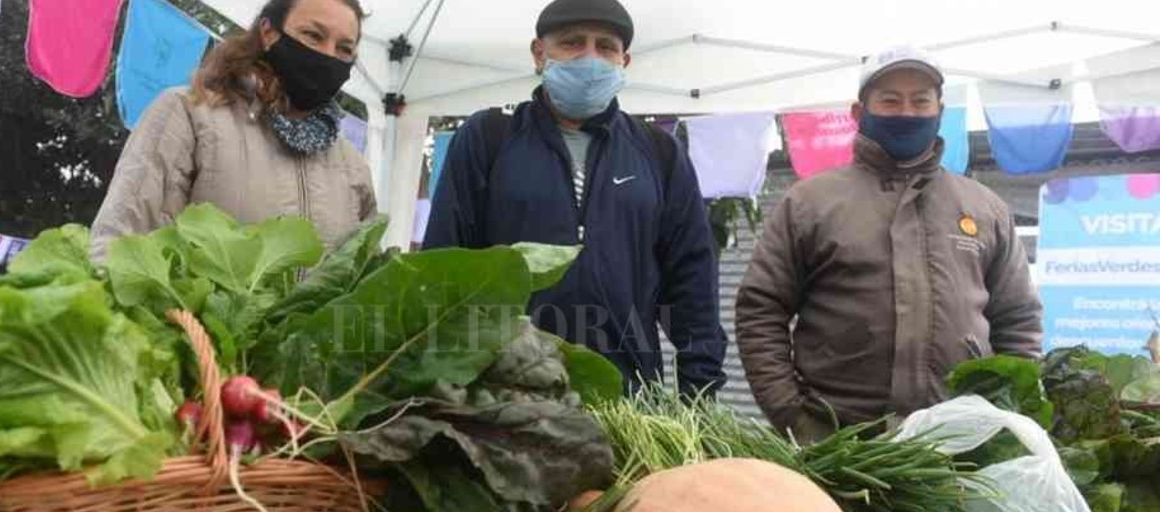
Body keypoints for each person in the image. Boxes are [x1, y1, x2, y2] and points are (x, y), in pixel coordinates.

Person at [735, 46, 1043, 443]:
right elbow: (760, 310)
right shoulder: (810, 203)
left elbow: (1018, 321)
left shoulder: (984, 207)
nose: (907, 113)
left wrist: (1002, 417)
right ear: (859, 113)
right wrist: (793, 414)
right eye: (890, 100)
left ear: (939, 110)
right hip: (839, 444)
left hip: (959, 443)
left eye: (920, 100)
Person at [423, 0, 727, 397]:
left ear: (624, 61)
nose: (590, 58)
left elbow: (693, 282)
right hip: (504, 396)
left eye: (606, 47)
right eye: (571, 43)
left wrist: (698, 396)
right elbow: (442, 265)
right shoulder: (489, 136)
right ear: (538, 53)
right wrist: (439, 387)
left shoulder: (658, 152)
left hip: (628, 396)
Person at [90, 0, 376, 260]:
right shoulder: (187, 114)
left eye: (344, 49)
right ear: (268, 32)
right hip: (189, 318)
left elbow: (364, 285)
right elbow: (119, 246)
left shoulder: (353, 167)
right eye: (313, 36)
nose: (327, 56)